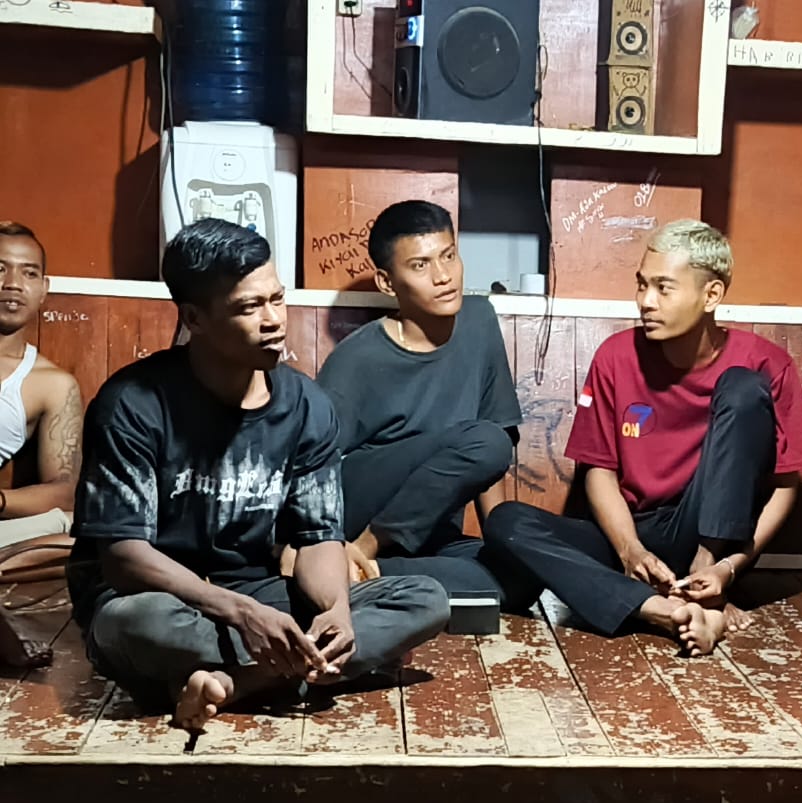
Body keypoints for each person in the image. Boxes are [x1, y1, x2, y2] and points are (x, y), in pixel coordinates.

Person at [68, 220, 449, 732]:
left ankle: (232, 684)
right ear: (194, 318)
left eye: (277, 299)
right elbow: (122, 558)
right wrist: (241, 614)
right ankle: (290, 670)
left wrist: (336, 610)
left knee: (424, 599)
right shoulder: (132, 405)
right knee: (136, 624)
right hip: (160, 601)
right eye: (250, 307)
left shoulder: (307, 405)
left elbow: (317, 537)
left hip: (258, 592)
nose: (273, 321)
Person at [481, 220, 802, 656]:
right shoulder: (616, 356)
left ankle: (703, 593)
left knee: (743, 387)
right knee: (506, 521)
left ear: (711, 295)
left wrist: (725, 569)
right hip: (629, 529)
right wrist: (629, 551)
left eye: (663, 288)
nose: (645, 301)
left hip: (708, 532)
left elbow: (784, 486)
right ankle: (663, 610)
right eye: (642, 285)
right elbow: (599, 471)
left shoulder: (766, 363)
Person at [315, 201, 522, 601]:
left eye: (449, 256)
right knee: (487, 440)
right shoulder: (356, 359)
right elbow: (310, 466)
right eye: (420, 265)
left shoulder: (479, 320)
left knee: (516, 578)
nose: (443, 276)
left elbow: (488, 457)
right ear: (387, 282)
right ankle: (360, 553)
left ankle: (366, 573)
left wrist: (501, 544)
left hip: (430, 529)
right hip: (358, 515)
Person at [0, 221, 82, 667]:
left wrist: (0, 501)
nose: (13, 283)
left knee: (86, 533)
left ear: (44, 288)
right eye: (0, 268)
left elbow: (64, 491)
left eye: (28, 272)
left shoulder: (52, 383)